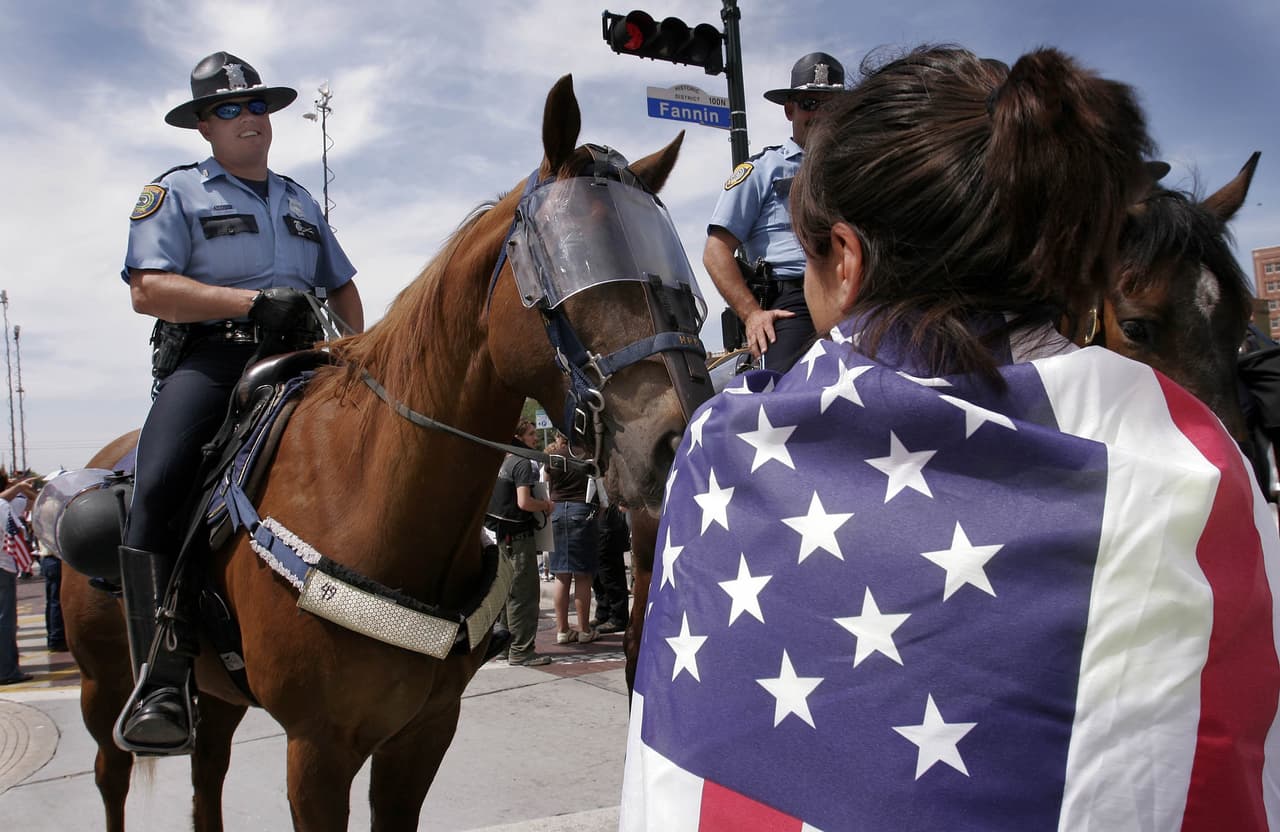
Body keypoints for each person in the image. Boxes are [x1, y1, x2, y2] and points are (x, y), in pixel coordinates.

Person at [622, 46, 1280, 829]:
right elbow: (722, 253)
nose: (805, 112)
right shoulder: (1205, 477)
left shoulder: (716, 447)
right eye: (800, 103)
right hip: (788, 317)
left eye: (813, 103)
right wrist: (758, 311)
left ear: (845, 258)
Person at [116, 51, 364, 752]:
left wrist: (361, 347)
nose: (248, 118)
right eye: (228, 109)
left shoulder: (297, 198)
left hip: (309, 355)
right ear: (204, 126)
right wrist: (254, 301)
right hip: (218, 358)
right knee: (158, 483)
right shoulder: (177, 193)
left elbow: (340, 284)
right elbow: (148, 290)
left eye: (257, 106)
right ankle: (160, 677)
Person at [704, 52, 847, 374]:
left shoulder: (858, 171)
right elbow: (716, 251)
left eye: (832, 105)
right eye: (810, 103)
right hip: (792, 305)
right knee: (786, 396)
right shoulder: (760, 171)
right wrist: (753, 315)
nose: (821, 113)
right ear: (790, 110)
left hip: (856, 297)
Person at [485, 421, 554, 667]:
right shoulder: (522, 463)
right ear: (519, 438)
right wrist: (545, 505)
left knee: (504, 594)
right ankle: (522, 650)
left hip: (498, 538)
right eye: (531, 434)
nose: (535, 439)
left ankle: (503, 646)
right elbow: (524, 502)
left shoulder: (500, 461)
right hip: (518, 538)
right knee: (523, 596)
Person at [545, 433, 599, 645]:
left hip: (557, 511)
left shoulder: (553, 458)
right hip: (581, 509)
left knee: (561, 575)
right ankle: (584, 629)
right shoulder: (587, 455)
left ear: (560, 436)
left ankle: (562, 630)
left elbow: (545, 485)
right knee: (583, 575)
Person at [0, 475, 38, 685]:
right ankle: (6, 669)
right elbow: (17, 531)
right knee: (5, 621)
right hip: (3, 566)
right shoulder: (2, 506)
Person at [591, 504, 630, 633]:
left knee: (610, 575)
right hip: (597, 521)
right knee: (598, 575)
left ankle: (618, 617)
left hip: (609, 524)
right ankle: (604, 612)